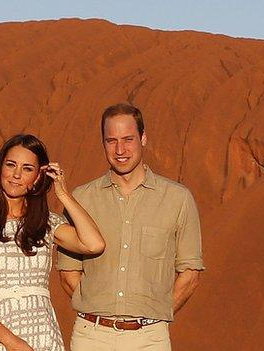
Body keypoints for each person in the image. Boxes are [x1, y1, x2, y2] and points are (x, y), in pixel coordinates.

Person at [57, 103, 205, 351]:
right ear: (103, 143)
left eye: (128, 139)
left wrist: (157, 316)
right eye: (111, 141)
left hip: (149, 339)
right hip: (91, 337)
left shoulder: (178, 199)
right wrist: (96, 308)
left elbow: (190, 273)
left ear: (143, 138)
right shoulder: (81, 199)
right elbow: (68, 272)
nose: (120, 150)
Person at [0, 134, 105, 351]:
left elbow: (94, 244)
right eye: (11, 165)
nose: (16, 175)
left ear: (37, 177)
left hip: (43, 336)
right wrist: (14, 344)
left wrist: (62, 193)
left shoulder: (48, 223)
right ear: (0, 169)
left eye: (27, 169)